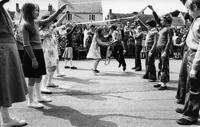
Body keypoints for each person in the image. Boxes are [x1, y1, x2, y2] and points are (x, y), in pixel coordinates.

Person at [21, 2, 67, 108]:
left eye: (37, 10)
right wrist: (33, 59)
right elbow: (26, 44)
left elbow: (50, 19)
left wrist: (59, 11)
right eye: (34, 10)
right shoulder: (25, 25)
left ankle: (39, 96)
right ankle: (31, 101)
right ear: (28, 12)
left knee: (39, 76)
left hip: (39, 52)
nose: (37, 12)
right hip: (32, 53)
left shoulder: (36, 22)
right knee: (32, 77)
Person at [0, 0, 28, 126]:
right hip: (3, 48)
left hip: (6, 47)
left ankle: (6, 119)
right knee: (3, 83)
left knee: (4, 84)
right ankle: (6, 120)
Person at [176, 0, 200, 125]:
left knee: (194, 86)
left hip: (195, 55)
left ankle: (191, 115)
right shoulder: (196, 18)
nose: (188, 12)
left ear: (195, 7)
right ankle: (188, 108)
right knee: (189, 84)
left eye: (189, 9)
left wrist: (195, 67)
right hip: (190, 52)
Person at [148, 5, 174, 90]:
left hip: (164, 50)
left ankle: (164, 84)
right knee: (160, 65)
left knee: (164, 66)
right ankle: (160, 81)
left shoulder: (169, 29)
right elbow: (157, 19)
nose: (161, 21)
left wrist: (166, 51)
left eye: (162, 20)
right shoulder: (163, 27)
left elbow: (169, 41)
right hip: (160, 49)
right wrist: (153, 10)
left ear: (166, 21)